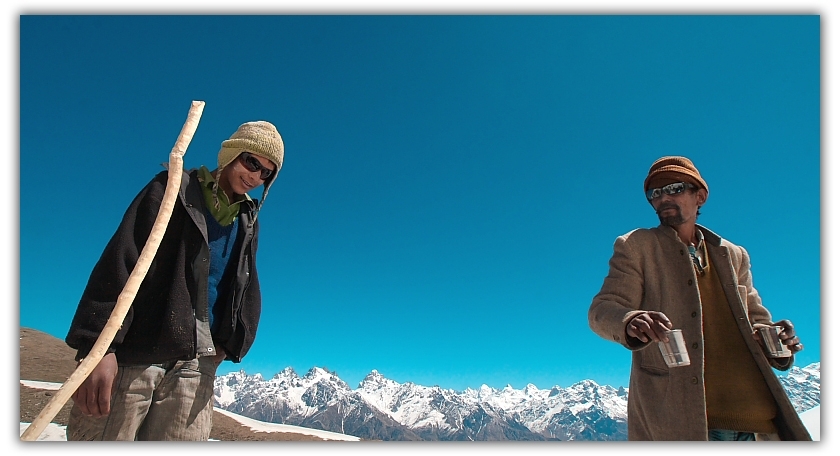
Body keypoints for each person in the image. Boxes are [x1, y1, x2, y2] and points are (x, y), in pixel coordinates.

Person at [64, 120, 284, 440]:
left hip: (196, 367)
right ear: (232, 154)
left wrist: (230, 341)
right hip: (136, 354)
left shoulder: (247, 219)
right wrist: (99, 347)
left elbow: (243, 283)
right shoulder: (173, 188)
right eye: (252, 162)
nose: (255, 176)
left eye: (266, 173)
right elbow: (123, 258)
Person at [587, 156, 811, 441]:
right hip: (690, 418)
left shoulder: (733, 254)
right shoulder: (637, 246)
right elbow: (603, 309)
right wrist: (630, 320)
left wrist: (779, 341)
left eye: (675, 188)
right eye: (655, 193)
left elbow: (756, 320)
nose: (663, 198)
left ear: (700, 197)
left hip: (757, 418)